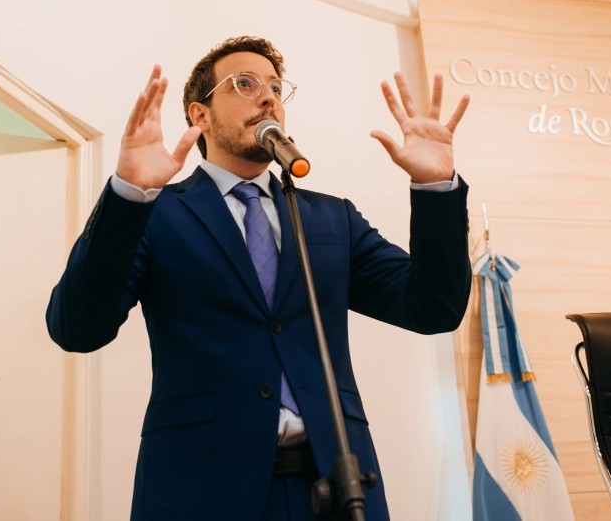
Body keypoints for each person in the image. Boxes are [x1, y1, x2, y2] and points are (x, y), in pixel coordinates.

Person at [46, 36, 472, 520]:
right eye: (244, 84)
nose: (268, 97)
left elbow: (433, 308)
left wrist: (435, 187)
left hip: (335, 489)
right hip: (199, 491)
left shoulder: (332, 219)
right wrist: (128, 196)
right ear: (200, 116)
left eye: (275, 87)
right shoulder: (156, 215)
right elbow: (76, 328)